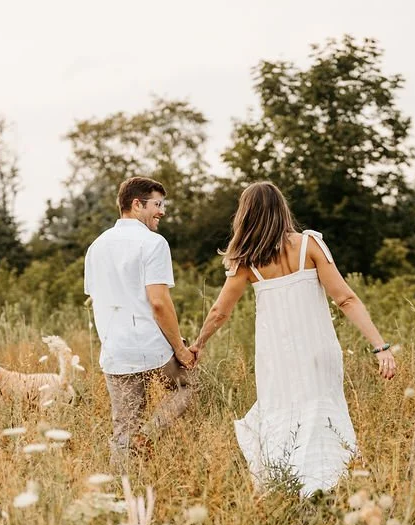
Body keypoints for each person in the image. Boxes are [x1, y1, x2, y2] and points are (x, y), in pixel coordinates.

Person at [190, 181, 396, 496]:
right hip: (318, 349)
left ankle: (292, 488)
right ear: (282, 209)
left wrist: (198, 344)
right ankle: (328, 486)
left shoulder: (247, 261)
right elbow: (346, 299)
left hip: (276, 356)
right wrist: (380, 347)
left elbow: (219, 311)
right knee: (322, 411)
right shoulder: (309, 245)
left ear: (245, 215)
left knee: (283, 414)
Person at [84, 177, 197, 469]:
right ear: (137, 205)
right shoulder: (153, 243)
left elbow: (97, 298)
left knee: (123, 428)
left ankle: (122, 493)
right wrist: (181, 349)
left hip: (115, 351)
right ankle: (147, 437)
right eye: (157, 205)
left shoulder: (96, 247)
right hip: (151, 348)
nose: (161, 212)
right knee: (188, 389)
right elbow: (159, 302)